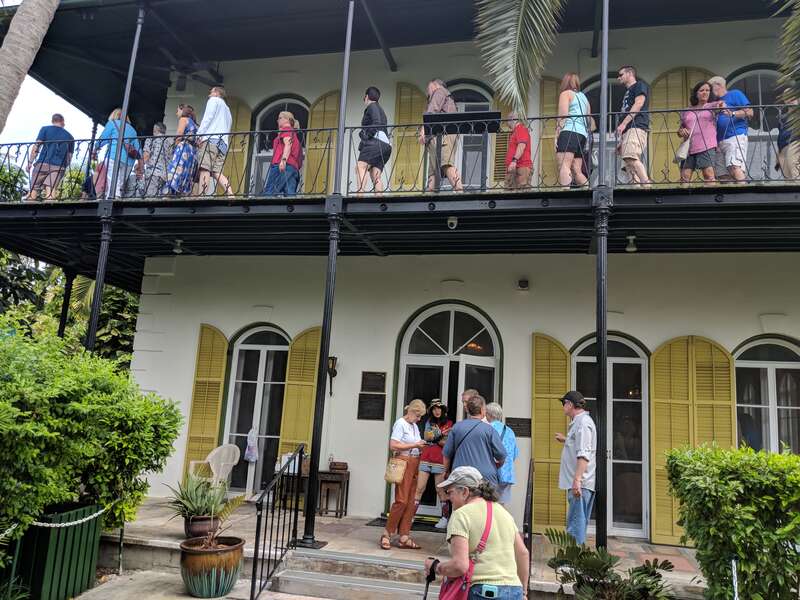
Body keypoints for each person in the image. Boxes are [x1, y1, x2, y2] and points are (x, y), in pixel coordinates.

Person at [424, 466, 529, 600]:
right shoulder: (504, 513)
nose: (448, 497)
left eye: (449, 491)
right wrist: (524, 592)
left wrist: (436, 567)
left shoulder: (461, 515)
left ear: (465, 491)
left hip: (483, 591)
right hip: (514, 590)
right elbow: (523, 553)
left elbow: (460, 566)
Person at [381, 398, 427, 550]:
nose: (419, 419)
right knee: (401, 500)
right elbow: (393, 445)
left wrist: (421, 446)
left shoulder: (413, 426)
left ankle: (404, 535)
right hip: (404, 462)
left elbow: (415, 443)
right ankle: (387, 533)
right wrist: (415, 444)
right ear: (412, 411)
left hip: (414, 462)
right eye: (418, 416)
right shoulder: (400, 423)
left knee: (410, 500)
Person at [555, 391, 597, 545]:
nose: (563, 407)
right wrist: (566, 440)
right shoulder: (579, 422)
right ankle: (574, 558)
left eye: (563, 403)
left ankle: (573, 561)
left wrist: (577, 480)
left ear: (570, 404)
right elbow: (580, 445)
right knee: (577, 521)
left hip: (581, 483)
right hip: (579, 482)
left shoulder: (583, 423)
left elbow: (584, 454)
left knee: (576, 523)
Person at [443, 394, 506, 488]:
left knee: (463, 502)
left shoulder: (457, 427)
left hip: (461, 476)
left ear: (467, 410)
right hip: (485, 477)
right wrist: (496, 466)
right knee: (485, 503)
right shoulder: (489, 430)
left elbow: (447, 454)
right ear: (482, 410)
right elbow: (501, 455)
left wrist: (447, 471)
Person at [415, 399, 454, 529]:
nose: (437, 411)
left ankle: (445, 518)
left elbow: (447, 443)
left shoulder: (449, 423)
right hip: (426, 457)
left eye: (439, 408)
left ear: (443, 410)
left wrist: (436, 436)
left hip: (440, 459)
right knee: (419, 488)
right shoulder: (428, 422)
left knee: (440, 489)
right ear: (431, 411)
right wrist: (441, 434)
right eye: (434, 409)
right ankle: (411, 516)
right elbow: (427, 437)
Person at [420, 79, 463, 192]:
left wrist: (423, 130)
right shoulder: (446, 96)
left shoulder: (439, 91)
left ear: (435, 85)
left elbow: (431, 112)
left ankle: (459, 190)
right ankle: (430, 195)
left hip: (443, 135)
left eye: (428, 88)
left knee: (446, 163)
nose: (428, 92)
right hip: (440, 135)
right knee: (433, 170)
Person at [709, 75, 753, 183]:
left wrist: (732, 113)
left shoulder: (734, 94)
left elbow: (750, 112)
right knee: (722, 175)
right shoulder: (715, 102)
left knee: (734, 167)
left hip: (735, 136)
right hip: (719, 142)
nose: (709, 91)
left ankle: (744, 195)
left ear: (718, 85)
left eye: (710, 88)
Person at [677, 81, 722, 184]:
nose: (705, 92)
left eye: (707, 90)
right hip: (689, 147)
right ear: (696, 93)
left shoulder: (711, 106)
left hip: (706, 145)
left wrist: (722, 104)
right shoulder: (687, 110)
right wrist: (681, 131)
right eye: (702, 90)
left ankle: (710, 199)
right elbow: (680, 129)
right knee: (685, 177)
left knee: (709, 174)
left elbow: (720, 105)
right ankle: (685, 199)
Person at [615, 66, 651, 186]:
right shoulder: (627, 92)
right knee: (627, 162)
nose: (618, 77)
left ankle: (647, 185)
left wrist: (623, 124)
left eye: (621, 74)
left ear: (630, 73)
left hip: (637, 126)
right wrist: (622, 138)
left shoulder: (639, 85)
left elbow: (639, 103)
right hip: (629, 129)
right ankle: (635, 188)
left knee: (631, 157)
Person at [96, 108, 142, 199]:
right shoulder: (133, 130)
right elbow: (138, 148)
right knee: (120, 183)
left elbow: (103, 138)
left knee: (112, 179)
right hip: (129, 161)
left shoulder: (112, 123)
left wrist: (95, 148)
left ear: (114, 115)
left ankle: (112, 198)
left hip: (113, 155)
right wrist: (141, 163)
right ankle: (117, 196)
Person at [196, 86, 234, 196]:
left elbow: (207, 118)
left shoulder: (213, 101)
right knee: (216, 171)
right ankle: (231, 194)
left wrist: (199, 135)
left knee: (205, 169)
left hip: (211, 140)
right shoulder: (227, 110)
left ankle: (202, 196)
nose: (209, 95)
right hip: (223, 143)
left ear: (217, 93)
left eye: (211, 92)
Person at [27, 113, 74, 201]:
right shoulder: (70, 136)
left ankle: (29, 207)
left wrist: (30, 162)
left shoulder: (45, 129)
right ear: (63, 122)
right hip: (58, 166)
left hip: (42, 163)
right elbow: (69, 157)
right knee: (51, 192)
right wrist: (64, 168)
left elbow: (37, 146)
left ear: (53, 121)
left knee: (33, 189)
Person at [556, 72, 592, 187]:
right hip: (582, 134)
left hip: (569, 131)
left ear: (565, 82)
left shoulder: (565, 94)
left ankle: (564, 195)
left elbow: (563, 115)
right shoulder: (584, 97)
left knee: (563, 165)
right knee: (577, 170)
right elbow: (589, 119)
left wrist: (557, 134)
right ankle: (588, 190)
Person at [356, 86, 392, 194]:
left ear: (366, 97)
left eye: (364, 98)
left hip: (376, 142)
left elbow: (376, 123)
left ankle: (360, 195)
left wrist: (367, 136)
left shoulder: (372, 106)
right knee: (375, 173)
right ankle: (379, 198)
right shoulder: (380, 109)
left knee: (360, 166)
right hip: (385, 144)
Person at [485, 402, 519, 507]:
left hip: (491, 473)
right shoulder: (509, 431)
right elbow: (515, 453)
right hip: (507, 474)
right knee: (501, 505)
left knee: (488, 504)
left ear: (488, 415)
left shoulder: (487, 429)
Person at [263, 111, 303, 197]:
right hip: (292, 168)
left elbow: (288, 144)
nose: (278, 120)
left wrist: (283, 160)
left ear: (287, 120)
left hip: (282, 165)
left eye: (280, 118)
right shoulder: (293, 134)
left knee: (269, 193)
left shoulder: (287, 129)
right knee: (290, 195)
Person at [165, 105, 199, 196]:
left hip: (184, 148)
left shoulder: (183, 119)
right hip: (192, 151)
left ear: (182, 110)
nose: (176, 113)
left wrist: (175, 147)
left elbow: (179, 134)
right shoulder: (194, 124)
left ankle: (171, 191)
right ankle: (183, 191)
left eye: (177, 111)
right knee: (186, 171)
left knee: (176, 168)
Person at [139, 122, 171, 197]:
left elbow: (146, 156)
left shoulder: (151, 139)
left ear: (155, 129)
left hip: (153, 173)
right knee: (159, 200)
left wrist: (139, 166)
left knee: (150, 199)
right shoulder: (169, 142)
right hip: (165, 175)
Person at [504, 112, 532, 190]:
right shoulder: (516, 131)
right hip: (514, 168)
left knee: (522, 194)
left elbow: (521, 145)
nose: (506, 123)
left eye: (507, 120)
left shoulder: (520, 128)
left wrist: (514, 161)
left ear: (512, 119)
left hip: (521, 167)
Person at [776, 97, 799, 180]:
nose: (790, 100)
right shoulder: (782, 117)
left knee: (793, 167)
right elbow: (780, 135)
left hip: (795, 142)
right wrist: (778, 154)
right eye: (787, 98)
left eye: (793, 98)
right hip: (783, 147)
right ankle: (792, 192)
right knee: (787, 177)